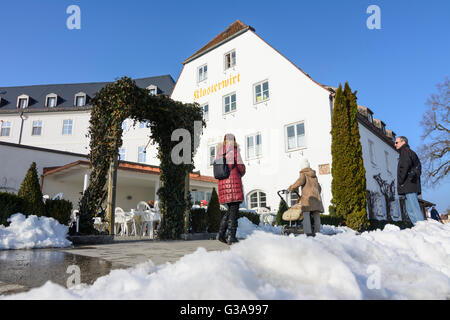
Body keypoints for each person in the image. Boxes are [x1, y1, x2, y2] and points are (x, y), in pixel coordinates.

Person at [216, 133, 246, 244]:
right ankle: (231, 236)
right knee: (234, 211)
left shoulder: (219, 153)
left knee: (230, 211)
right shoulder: (234, 151)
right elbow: (241, 167)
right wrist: (242, 171)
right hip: (234, 184)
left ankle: (221, 234)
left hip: (223, 186)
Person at [288, 157, 324, 236]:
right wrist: (317, 193)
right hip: (316, 198)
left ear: (302, 167)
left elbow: (300, 181)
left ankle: (308, 232)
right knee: (316, 214)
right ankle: (317, 233)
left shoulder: (303, 173)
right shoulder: (314, 175)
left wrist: (291, 187)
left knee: (306, 213)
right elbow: (319, 187)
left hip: (308, 198)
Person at [395, 136, 424, 225]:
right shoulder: (408, 152)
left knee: (413, 207)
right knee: (410, 209)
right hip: (410, 184)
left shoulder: (405, 152)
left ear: (403, 142)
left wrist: (400, 180)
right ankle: (417, 226)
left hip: (409, 184)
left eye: (397, 142)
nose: (395, 144)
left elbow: (405, 166)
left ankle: (422, 227)